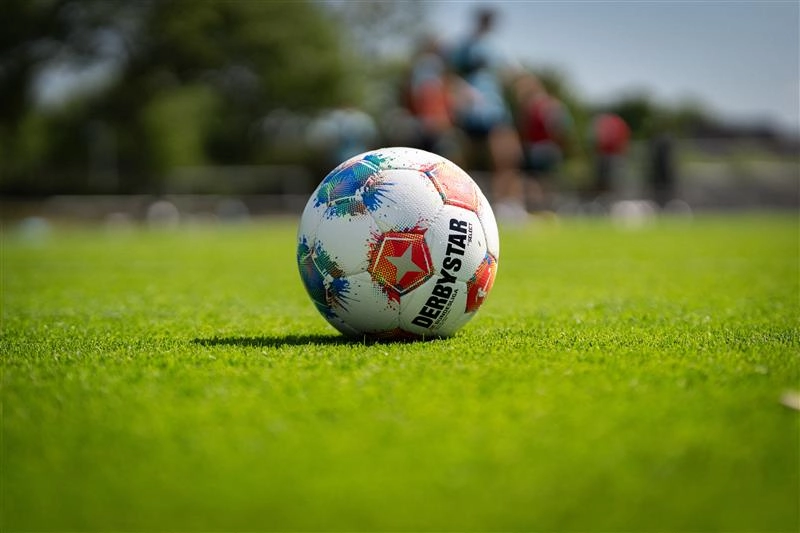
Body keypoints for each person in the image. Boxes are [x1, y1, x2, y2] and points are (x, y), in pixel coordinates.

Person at [447, 7, 525, 220]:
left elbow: (512, 73)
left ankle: (507, 204)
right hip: (469, 112)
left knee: (507, 157)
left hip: (495, 109)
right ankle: (457, 205)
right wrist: (460, 93)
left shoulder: (497, 47)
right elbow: (449, 74)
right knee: (462, 161)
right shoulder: (463, 46)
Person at [514, 74, 573, 211]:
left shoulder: (542, 106)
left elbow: (559, 128)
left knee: (539, 181)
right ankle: (544, 209)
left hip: (542, 148)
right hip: (544, 148)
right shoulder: (548, 104)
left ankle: (542, 209)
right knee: (542, 181)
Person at [589, 113, 630, 200]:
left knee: (613, 181)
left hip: (613, 156)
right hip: (607, 155)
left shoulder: (607, 123)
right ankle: (605, 199)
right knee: (604, 181)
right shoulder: (616, 122)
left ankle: (611, 199)